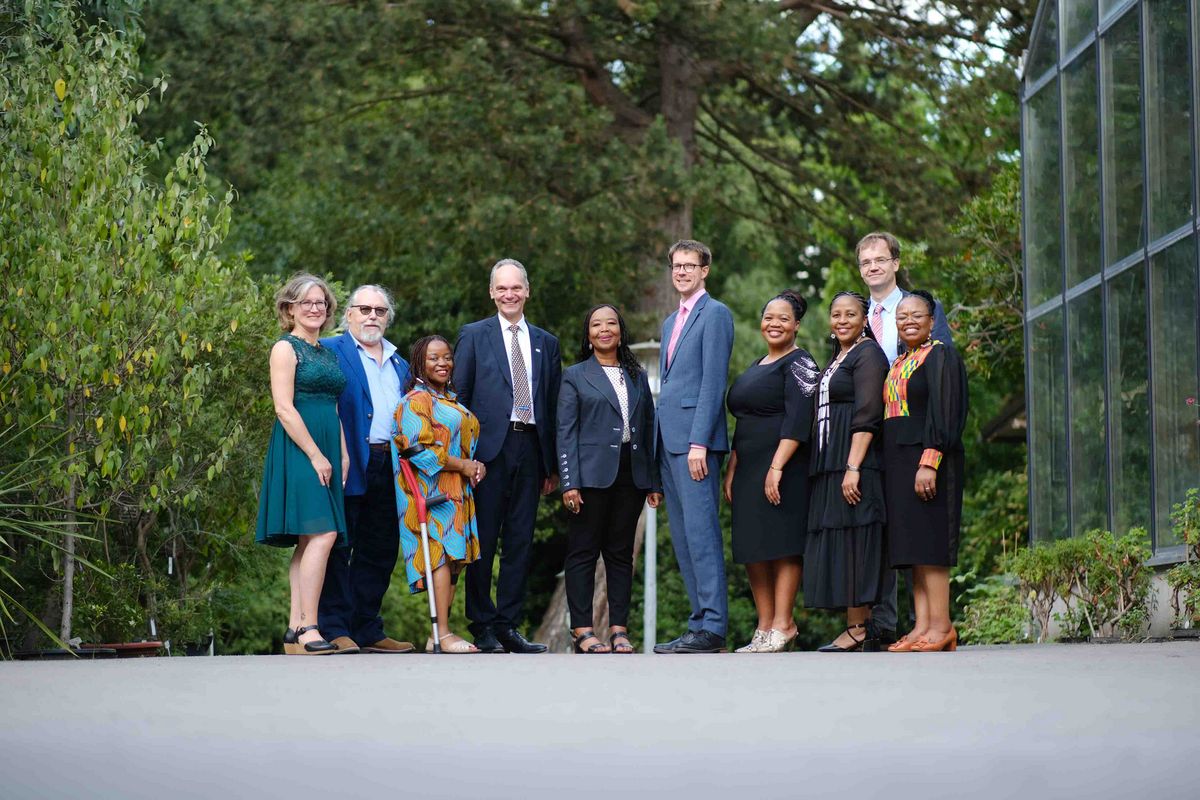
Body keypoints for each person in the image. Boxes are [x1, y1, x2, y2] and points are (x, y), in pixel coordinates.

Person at [453, 258, 562, 654]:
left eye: (516, 287)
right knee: (482, 540)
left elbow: (551, 406)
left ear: (527, 291)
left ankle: (508, 625)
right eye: (502, 288)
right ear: (492, 292)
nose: (509, 294)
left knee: (520, 542)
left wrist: (551, 465)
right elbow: (459, 399)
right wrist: (465, 458)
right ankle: (481, 625)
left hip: (530, 449)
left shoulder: (546, 342)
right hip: (487, 453)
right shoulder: (474, 335)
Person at [856, 230, 953, 648]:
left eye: (880, 259)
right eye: (865, 262)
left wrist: (932, 453)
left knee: (925, 531)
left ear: (896, 263)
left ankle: (934, 624)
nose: (873, 267)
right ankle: (897, 626)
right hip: (881, 437)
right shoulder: (857, 315)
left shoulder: (923, 311)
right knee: (898, 533)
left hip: (920, 437)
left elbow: (943, 384)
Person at [557, 305, 664, 654]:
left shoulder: (635, 374)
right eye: (597, 324)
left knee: (620, 555)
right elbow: (565, 431)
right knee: (583, 553)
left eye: (612, 323)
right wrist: (569, 482)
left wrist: (654, 481)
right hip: (589, 477)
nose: (605, 329)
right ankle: (583, 630)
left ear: (621, 331)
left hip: (631, 474)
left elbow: (648, 427)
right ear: (588, 335)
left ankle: (619, 630)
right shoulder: (575, 375)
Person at [318, 285, 414, 655]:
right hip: (347, 460)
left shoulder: (400, 363)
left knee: (381, 548)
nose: (372, 316)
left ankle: (367, 628)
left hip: (391, 465)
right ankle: (335, 627)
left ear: (388, 318)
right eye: (365, 309)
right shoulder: (329, 351)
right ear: (349, 314)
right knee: (341, 544)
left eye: (380, 311)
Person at [255, 274, 348, 656]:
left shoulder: (327, 352)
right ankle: (311, 625)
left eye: (321, 302)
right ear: (290, 308)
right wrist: (315, 454)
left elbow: (334, 406)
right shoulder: (284, 348)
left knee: (311, 538)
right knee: (324, 534)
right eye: (307, 302)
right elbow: (283, 408)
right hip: (300, 448)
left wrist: (341, 453)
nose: (315, 308)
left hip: (327, 444)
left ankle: (294, 629)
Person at [723, 290, 819, 653]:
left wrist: (777, 466)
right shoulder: (756, 365)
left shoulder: (800, 363)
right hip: (748, 467)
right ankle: (764, 626)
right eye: (769, 317)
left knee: (782, 545)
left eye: (783, 318)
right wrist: (733, 468)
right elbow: (743, 422)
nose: (774, 324)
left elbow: (799, 419)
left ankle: (784, 623)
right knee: (753, 546)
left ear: (796, 325)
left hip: (784, 464)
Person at [653, 239, 735, 655]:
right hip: (668, 444)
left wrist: (699, 442)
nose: (682, 271)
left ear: (705, 270)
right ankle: (698, 623)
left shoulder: (715, 314)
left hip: (695, 444)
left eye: (690, 265)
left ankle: (714, 626)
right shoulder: (671, 322)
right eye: (676, 265)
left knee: (702, 534)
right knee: (684, 538)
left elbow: (712, 382)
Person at [881, 291, 968, 653]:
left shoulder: (941, 356)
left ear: (933, 321)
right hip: (898, 462)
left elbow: (946, 412)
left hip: (928, 459)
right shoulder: (900, 360)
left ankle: (942, 626)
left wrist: (929, 461)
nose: (909, 321)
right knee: (912, 547)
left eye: (917, 315)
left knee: (931, 545)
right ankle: (921, 626)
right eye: (902, 317)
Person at [803, 290, 890, 652]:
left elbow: (868, 412)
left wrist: (853, 466)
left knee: (858, 539)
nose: (841, 321)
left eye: (850, 314)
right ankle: (853, 624)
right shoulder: (839, 355)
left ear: (864, 318)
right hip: (831, 459)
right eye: (836, 314)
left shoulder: (868, 353)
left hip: (855, 460)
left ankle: (861, 627)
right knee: (841, 540)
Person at [392, 335, 485, 654]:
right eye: (433, 358)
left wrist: (475, 466)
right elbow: (418, 449)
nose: (442, 363)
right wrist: (461, 465)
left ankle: (441, 633)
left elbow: (461, 441)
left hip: (456, 490)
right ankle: (442, 633)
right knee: (439, 554)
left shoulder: (451, 400)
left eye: (446, 357)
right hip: (428, 491)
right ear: (419, 362)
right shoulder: (415, 400)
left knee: (455, 558)